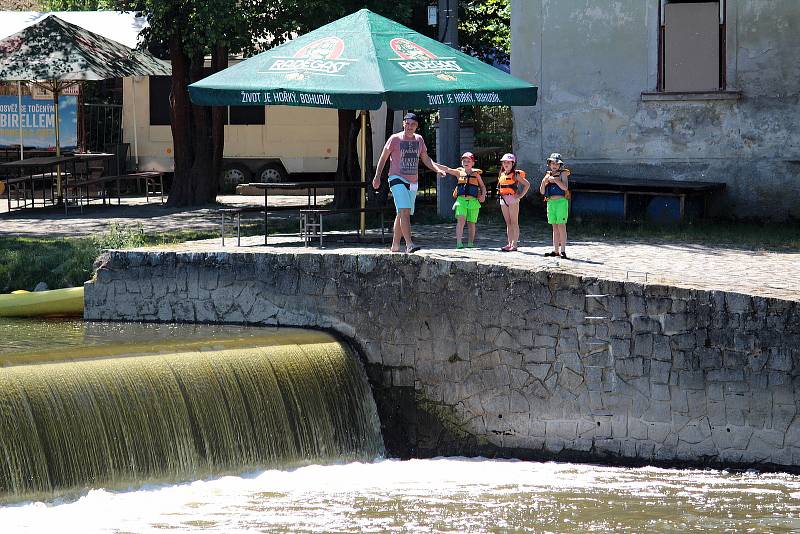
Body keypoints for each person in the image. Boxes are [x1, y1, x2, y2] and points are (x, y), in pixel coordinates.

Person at [372, 112, 441, 253]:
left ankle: (395, 245)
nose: (409, 127)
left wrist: (436, 169)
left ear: (416, 126)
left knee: (402, 212)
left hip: (412, 182)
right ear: (403, 123)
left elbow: (426, 159)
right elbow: (383, 157)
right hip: (396, 178)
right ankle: (409, 244)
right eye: (407, 123)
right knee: (404, 210)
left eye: (413, 124)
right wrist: (377, 176)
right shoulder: (394, 139)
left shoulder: (419, 140)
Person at [437, 152, 487, 249]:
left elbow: (482, 186)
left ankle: (470, 243)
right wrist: (434, 165)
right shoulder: (459, 172)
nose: (466, 162)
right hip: (461, 201)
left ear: (473, 163)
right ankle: (459, 243)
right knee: (461, 221)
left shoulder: (476, 174)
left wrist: (483, 195)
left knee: (471, 223)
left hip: (473, 202)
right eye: (464, 161)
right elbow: (447, 169)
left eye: (468, 161)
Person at [496, 153, 530, 251]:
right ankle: (509, 243)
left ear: (512, 163)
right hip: (503, 199)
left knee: (514, 222)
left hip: (512, 199)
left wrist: (520, 196)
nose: (506, 164)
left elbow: (527, 184)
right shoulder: (501, 174)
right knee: (508, 223)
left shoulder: (515, 175)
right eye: (504, 162)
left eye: (508, 162)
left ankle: (514, 245)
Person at [539, 152, 570, 258]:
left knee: (561, 226)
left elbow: (565, 188)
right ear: (549, 164)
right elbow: (542, 192)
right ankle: (555, 250)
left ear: (560, 165)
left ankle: (563, 250)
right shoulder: (548, 175)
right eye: (552, 163)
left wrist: (556, 180)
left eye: (557, 164)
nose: (554, 166)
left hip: (561, 202)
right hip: (551, 202)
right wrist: (544, 182)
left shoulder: (563, 174)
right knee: (554, 227)